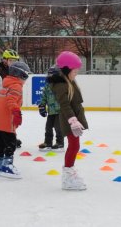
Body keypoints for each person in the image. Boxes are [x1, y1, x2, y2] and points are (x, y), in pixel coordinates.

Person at [47, 51, 88, 190]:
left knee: (74, 145)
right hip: (69, 119)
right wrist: (73, 120)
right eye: (75, 71)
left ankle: (69, 172)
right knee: (74, 146)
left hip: (74, 118)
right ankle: (68, 176)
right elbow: (64, 104)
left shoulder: (68, 81)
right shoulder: (61, 85)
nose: (76, 74)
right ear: (66, 70)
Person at [0, 61, 31, 179]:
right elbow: (11, 101)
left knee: (1, 144)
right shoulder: (16, 86)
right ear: (20, 75)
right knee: (10, 144)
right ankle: (7, 166)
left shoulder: (5, 85)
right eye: (25, 77)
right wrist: (17, 112)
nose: (25, 80)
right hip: (6, 122)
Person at [0, 48, 22, 148]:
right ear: (4, 60)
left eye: (15, 61)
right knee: (2, 118)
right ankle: (0, 137)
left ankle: (11, 135)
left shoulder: (15, 71)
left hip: (11, 99)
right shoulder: (0, 71)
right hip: (2, 99)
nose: (13, 63)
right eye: (11, 60)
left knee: (12, 118)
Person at [38, 66, 63, 151]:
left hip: (59, 111)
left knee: (58, 128)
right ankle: (48, 143)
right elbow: (44, 97)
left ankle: (60, 143)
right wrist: (42, 106)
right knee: (48, 127)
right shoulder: (47, 86)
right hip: (51, 111)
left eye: (51, 74)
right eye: (48, 74)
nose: (49, 76)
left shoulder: (61, 86)